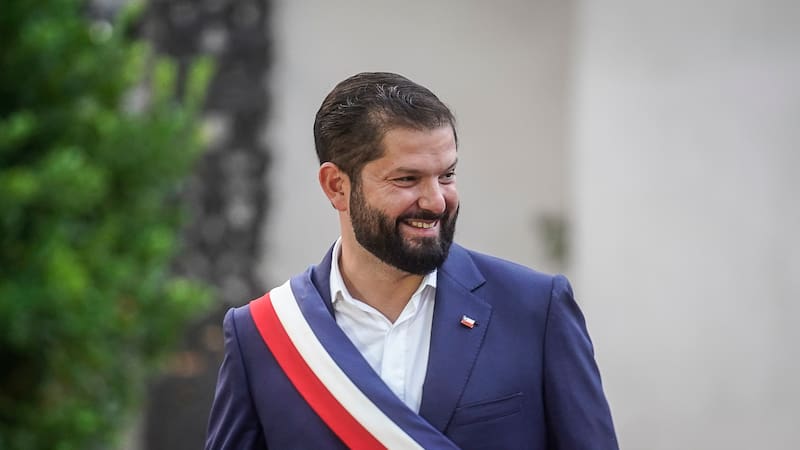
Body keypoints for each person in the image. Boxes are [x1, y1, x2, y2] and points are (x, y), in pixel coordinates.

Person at [205, 72, 618, 449]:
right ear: (336, 186)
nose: (436, 201)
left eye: (447, 175)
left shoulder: (535, 309)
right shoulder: (262, 335)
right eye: (407, 179)